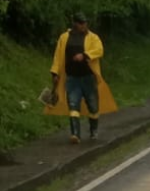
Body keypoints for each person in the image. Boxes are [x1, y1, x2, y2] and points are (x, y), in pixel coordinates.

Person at [45, 12, 117, 144]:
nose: (84, 25)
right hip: (72, 78)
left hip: (88, 77)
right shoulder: (64, 38)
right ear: (75, 23)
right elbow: (58, 56)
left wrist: (84, 55)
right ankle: (75, 134)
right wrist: (55, 73)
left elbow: (99, 50)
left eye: (85, 23)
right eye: (81, 23)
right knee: (73, 105)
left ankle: (93, 131)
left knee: (93, 106)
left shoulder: (93, 37)